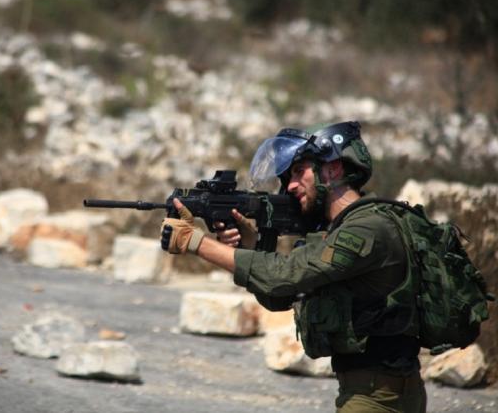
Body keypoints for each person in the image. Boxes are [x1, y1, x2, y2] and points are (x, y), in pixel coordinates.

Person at [160, 121, 427, 412]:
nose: (290, 186)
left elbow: (284, 276)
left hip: (379, 396)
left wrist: (196, 242)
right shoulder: (337, 230)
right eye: (288, 177)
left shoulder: (366, 228)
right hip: (373, 389)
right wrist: (250, 248)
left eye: (299, 171)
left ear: (334, 169)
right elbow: (280, 296)